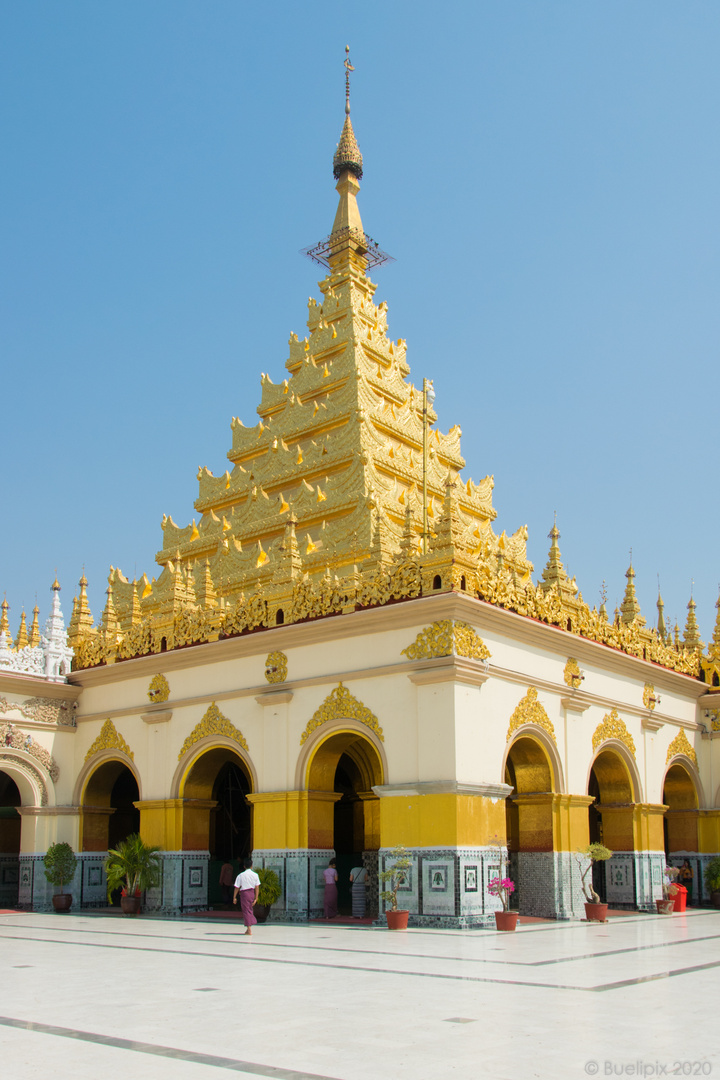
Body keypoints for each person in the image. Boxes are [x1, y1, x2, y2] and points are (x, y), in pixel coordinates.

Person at [233, 857, 260, 935]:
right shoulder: (255, 875)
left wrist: (234, 897)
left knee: (246, 911)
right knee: (249, 909)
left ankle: (249, 928)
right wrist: (256, 897)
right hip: (251, 893)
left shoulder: (240, 875)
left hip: (244, 894)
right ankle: (250, 925)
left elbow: (237, 887)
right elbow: (257, 887)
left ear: (244, 866)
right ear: (251, 866)